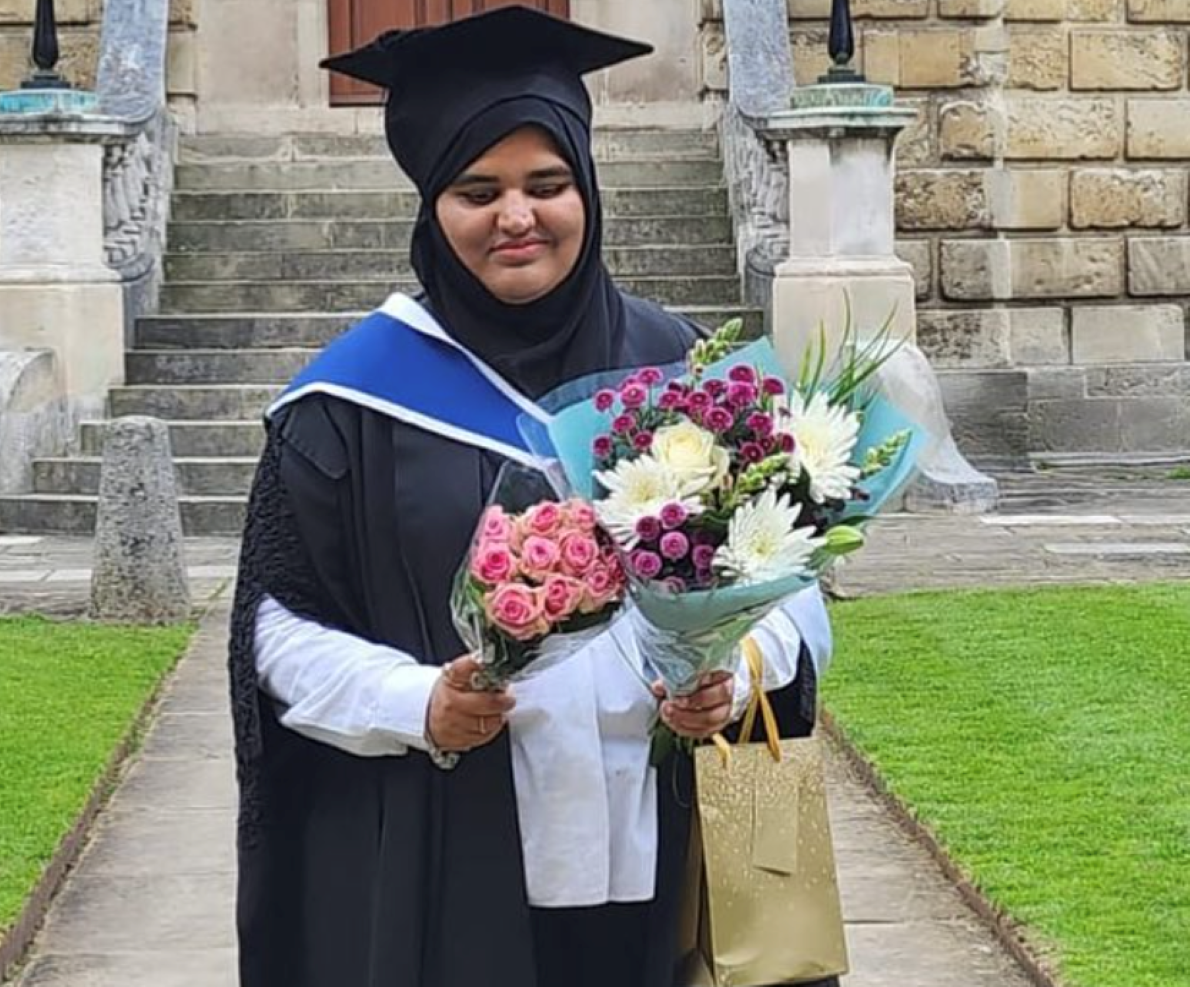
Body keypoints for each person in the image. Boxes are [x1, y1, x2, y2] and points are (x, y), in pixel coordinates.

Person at [227, 7, 840, 987]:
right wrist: (416, 702)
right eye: (478, 191)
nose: (517, 217)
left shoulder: (685, 370)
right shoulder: (346, 404)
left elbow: (792, 584)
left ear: (585, 190)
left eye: (545, 184)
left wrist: (737, 668)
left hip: (670, 858)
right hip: (443, 863)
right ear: (431, 206)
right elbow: (274, 632)